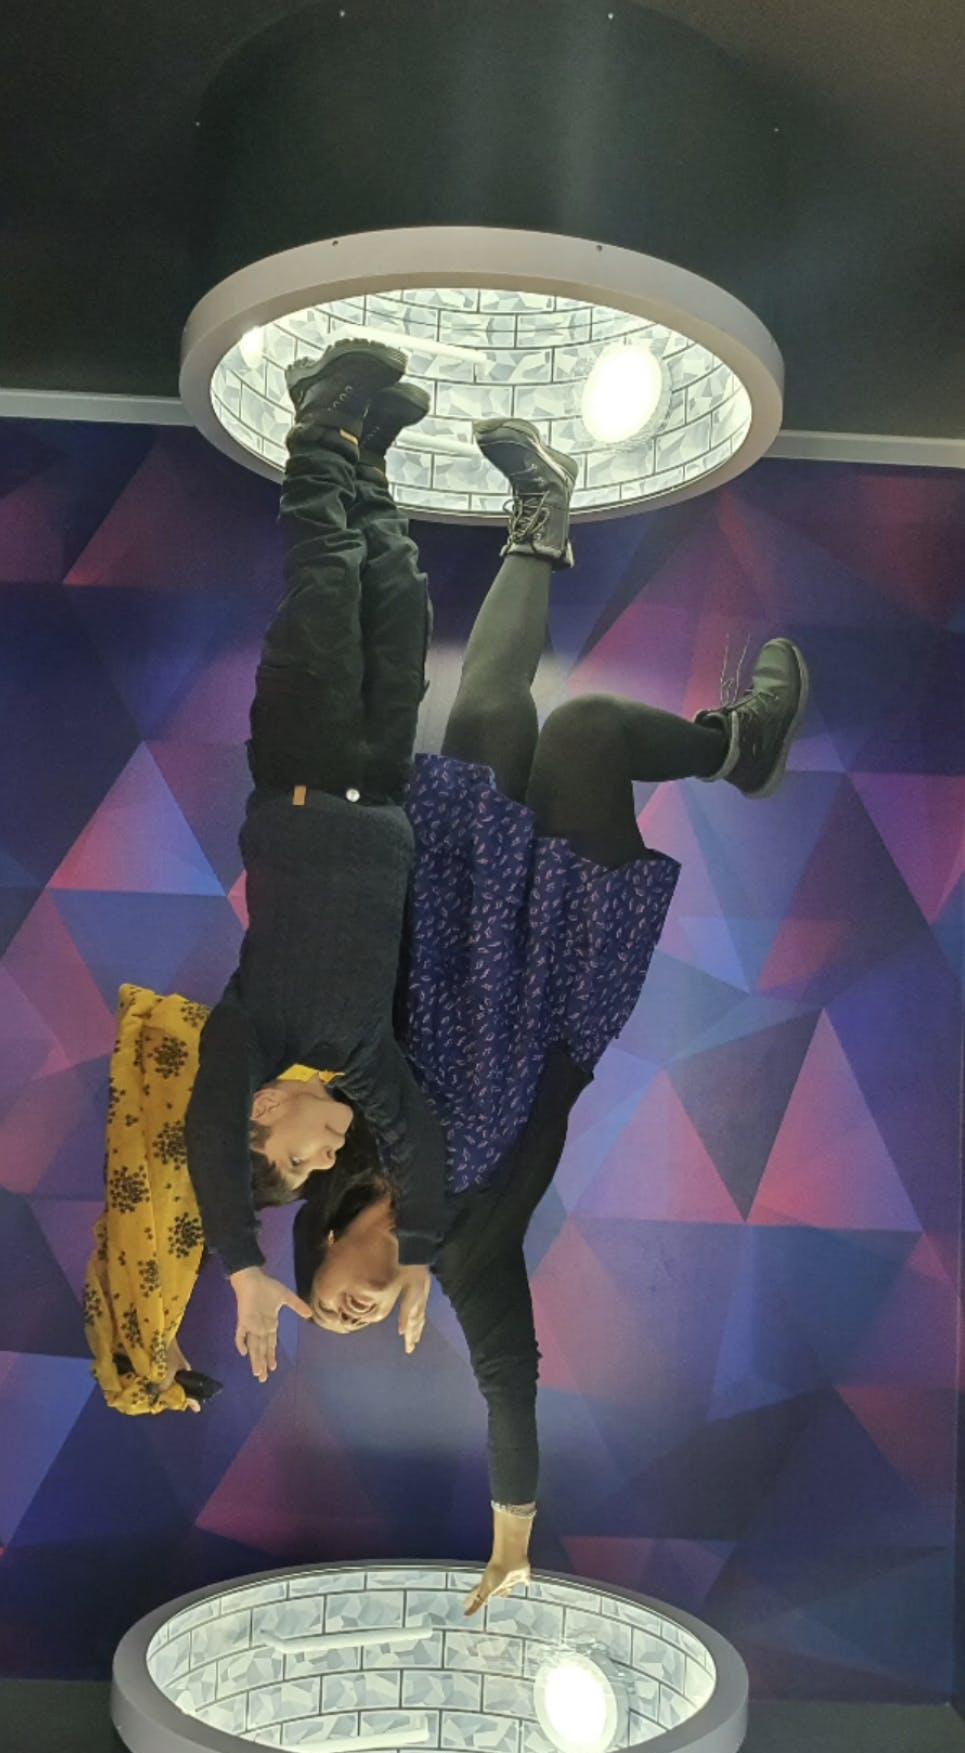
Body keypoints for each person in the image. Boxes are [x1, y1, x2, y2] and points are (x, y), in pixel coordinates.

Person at [290, 420, 810, 1613]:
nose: (344, 1314)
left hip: (456, 909)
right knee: (585, 732)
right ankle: (736, 747)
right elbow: (509, 1388)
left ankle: (542, 510)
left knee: (484, 699)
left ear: (319, 1249)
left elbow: (243, 1104)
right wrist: (511, 1541)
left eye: (324, 1302)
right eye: (349, 1323)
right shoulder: (468, 1255)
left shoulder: (330, 1138)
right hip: (555, 974)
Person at [183, 337, 453, 1383]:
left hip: (301, 762)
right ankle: (370, 453)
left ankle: (321, 422)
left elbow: (208, 1140)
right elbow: (416, 1144)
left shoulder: (253, 1031)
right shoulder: (360, 1059)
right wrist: (417, 1251)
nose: (325, 1158)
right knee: (399, 598)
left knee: (328, 577)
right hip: (377, 784)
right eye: (318, 1173)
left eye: (298, 1159)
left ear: (263, 1111)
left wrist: (246, 1268)